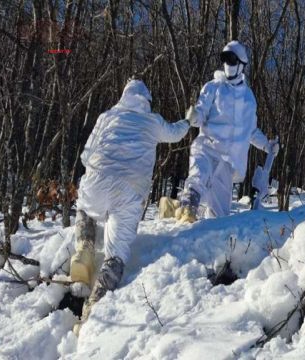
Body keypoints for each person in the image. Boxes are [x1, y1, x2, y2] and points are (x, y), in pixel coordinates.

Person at [70, 79, 194, 331]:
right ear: (146, 101)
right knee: (116, 254)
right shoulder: (152, 121)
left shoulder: (106, 116)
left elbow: (85, 155)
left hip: (97, 179)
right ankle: (93, 311)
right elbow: (175, 133)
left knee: (84, 209)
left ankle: (84, 248)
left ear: (123, 96)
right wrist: (189, 120)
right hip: (129, 190)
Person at [171, 40, 279, 223]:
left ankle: (209, 238)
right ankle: (188, 204)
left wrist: (267, 146)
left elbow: (251, 131)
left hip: (229, 161)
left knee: (219, 215)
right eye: (225, 60)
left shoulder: (249, 99)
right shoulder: (213, 87)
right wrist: (194, 116)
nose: (228, 65)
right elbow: (201, 112)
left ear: (241, 64)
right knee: (199, 173)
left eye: (232, 60)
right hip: (208, 147)